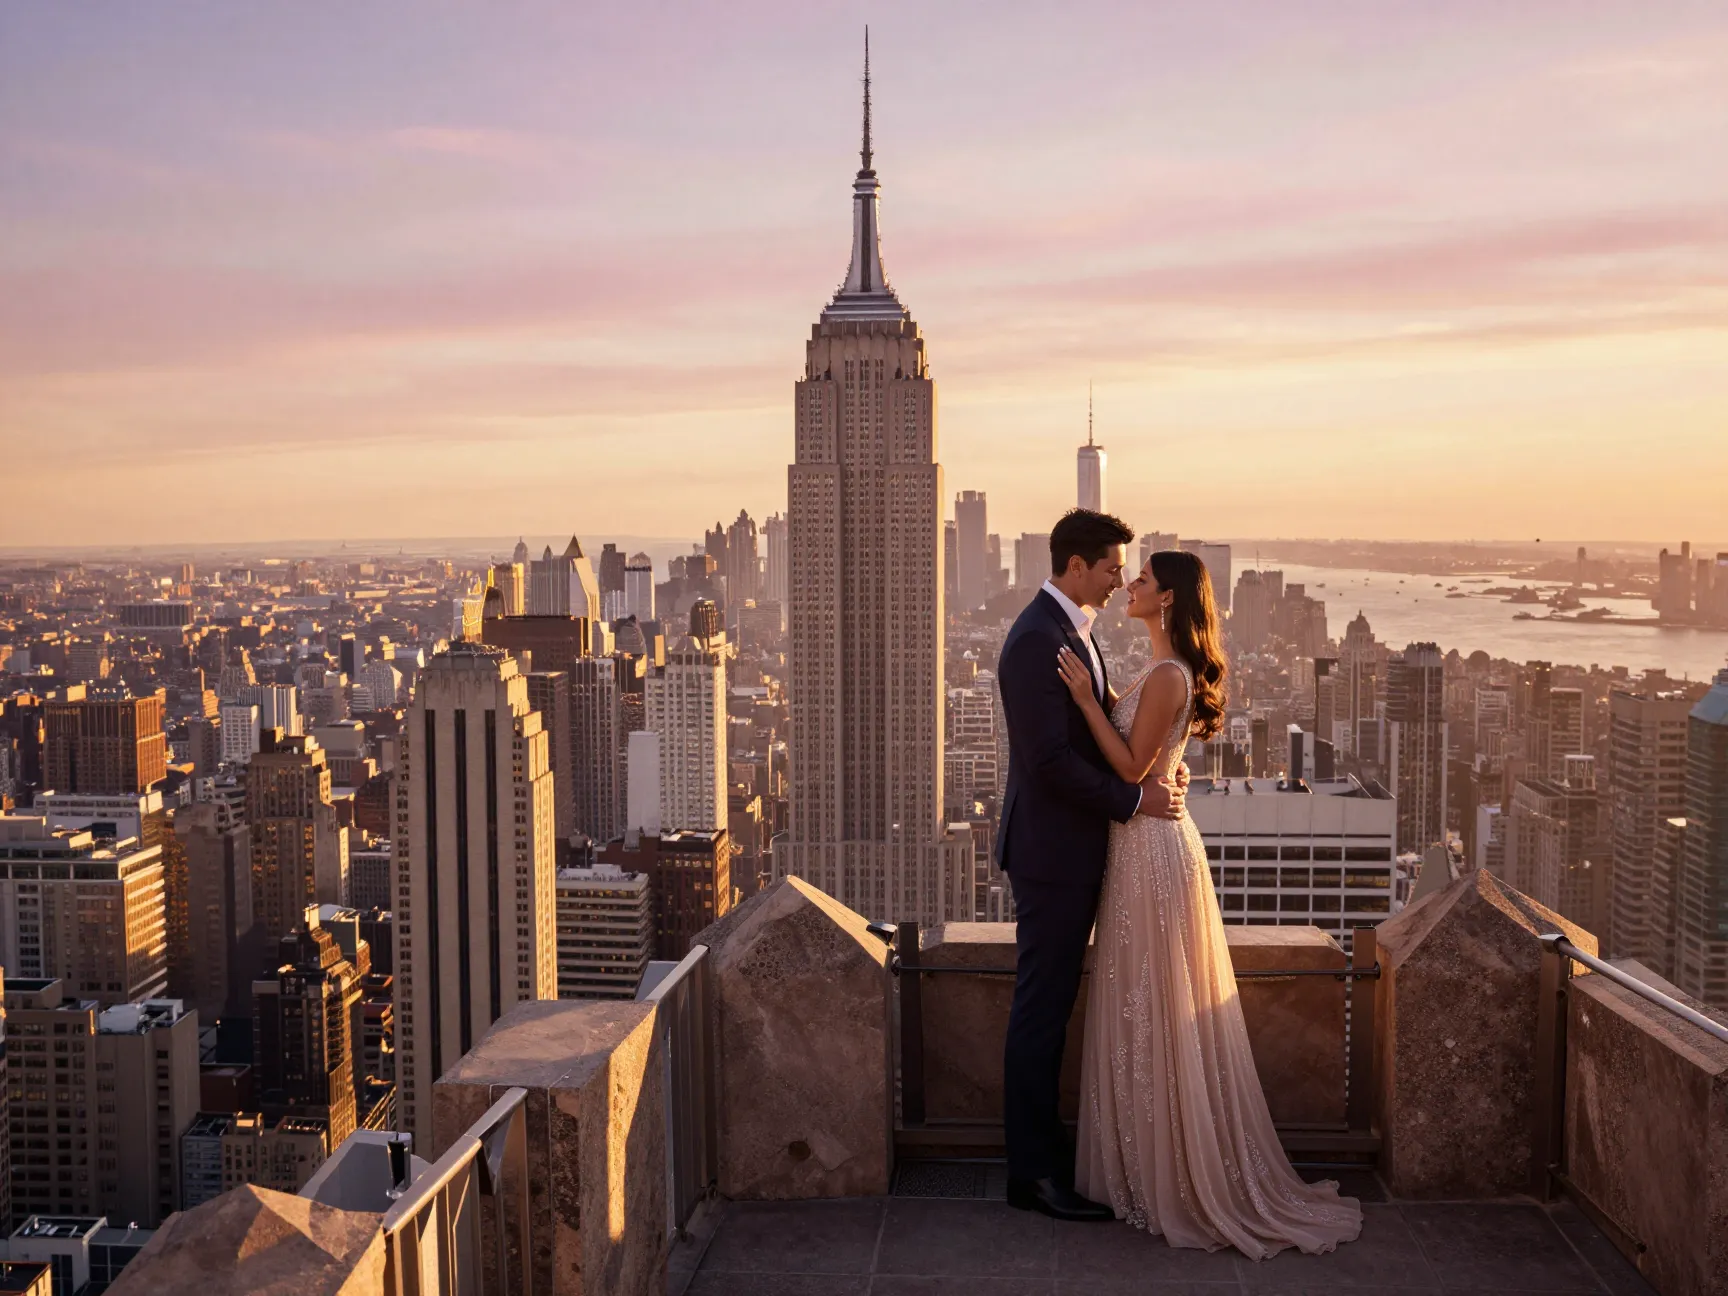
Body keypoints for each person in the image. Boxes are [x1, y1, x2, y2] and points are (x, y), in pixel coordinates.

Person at [1061, 548, 1362, 1258]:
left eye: (1140, 580)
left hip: (1152, 852)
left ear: (1166, 599)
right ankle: (1147, 1171)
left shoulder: (1168, 674)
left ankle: (1173, 1177)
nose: (1128, 586)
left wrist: (1084, 703)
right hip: (1144, 847)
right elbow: (1155, 756)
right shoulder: (1160, 670)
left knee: (1156, 1006)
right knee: (1146, 1003)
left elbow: (1133, 768)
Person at [995, 509, 1189, 1222]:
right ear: (1077, 566)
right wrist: (1135, 801)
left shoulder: (1074, 632)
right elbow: (1047, 765)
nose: (1118, 581)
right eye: (1111, 568)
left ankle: (1045, 1168)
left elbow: (1108, 726)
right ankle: (1034, 1176)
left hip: (1075, 850)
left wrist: (1155, 771)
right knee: (1041, 1013)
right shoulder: (1036, 641)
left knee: (1050, 1010)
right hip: (1052, 857)